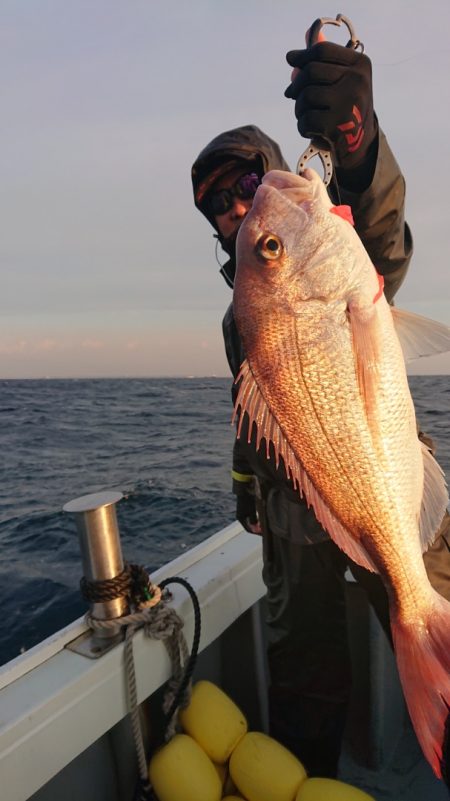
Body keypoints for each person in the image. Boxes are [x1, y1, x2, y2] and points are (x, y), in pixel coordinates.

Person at [191, 41, 450, 778]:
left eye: (245, 184)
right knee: (300, 676)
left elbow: (381, 238)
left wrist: (354, 142)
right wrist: (246, 489)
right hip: (291, 518)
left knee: (429, 588)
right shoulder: (242, 320)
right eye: (218, 206)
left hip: (380, 481)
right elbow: (252, 422)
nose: (238, 207)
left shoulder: (339, 249)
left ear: (276, 164)